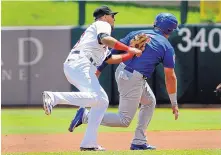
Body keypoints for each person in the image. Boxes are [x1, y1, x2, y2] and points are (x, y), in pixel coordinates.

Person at [68, 13, 180, 150]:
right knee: (124, 120)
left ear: (155, 24)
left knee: (149, 102)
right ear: (170, 30)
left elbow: (113, 50)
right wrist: (174, 102)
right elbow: (170, 76)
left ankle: (139, 141)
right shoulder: (166, 47)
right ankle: (85, 116)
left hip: (123, 71)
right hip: (133, 78)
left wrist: (99, 69)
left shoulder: (138, 32)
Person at [42, 5, 142, 151]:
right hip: (81, 64)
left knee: (101, 101)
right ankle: (53, 97)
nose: (114, 19)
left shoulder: (96, 32)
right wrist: (129, 48)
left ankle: (89, 143)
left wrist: (131, 54)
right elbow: (105, 39)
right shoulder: (102, 24)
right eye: (112, 15)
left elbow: (110, 58)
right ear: (105, 16)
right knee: (97, 98)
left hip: (79, 65)